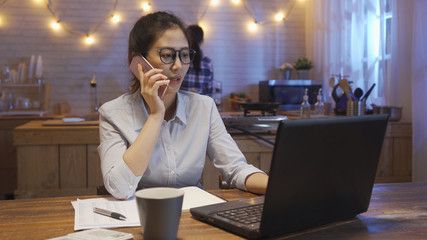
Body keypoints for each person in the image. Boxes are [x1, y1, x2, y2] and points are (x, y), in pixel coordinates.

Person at [97, 11, 268, 200]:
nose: (179, 65)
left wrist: (281, 186)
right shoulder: (113, 113)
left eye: (185, 55)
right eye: (167, 55)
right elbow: (120, 188)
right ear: (139, 62)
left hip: (194, 217)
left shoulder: (204, 107)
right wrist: (156, 115)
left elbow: (236, 169)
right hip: (140, 218)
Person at [181, 25, 214, 95]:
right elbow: (210, 91)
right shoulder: (208, 62)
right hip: (202, 104)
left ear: (186, 40)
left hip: (180, 104)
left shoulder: (180, 59)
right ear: (202, 41)